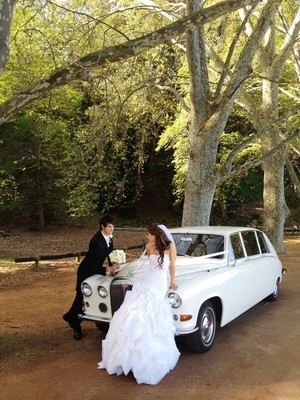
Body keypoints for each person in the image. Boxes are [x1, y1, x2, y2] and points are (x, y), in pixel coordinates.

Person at [98, 223, 180, 385]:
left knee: (152, 311)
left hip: (159, 284)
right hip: (149, 280)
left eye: (148, 234)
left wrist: (172, 282)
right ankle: (127, 357)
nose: (146, 236)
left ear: (156, 234)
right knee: (135, 309)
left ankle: (149, 355)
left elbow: (171, 266)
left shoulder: (170, 247)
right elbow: (147, 265)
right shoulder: (148, 247)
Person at [63, 215, 119, 340]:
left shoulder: (108, 237)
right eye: (109, 226)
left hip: (95, 269)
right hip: (86, 271)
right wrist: (107, 269)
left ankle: (71, 315)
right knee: (81, 297)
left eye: (112, 226)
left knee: (90, 297)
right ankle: (74, 323)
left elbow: (110, 253)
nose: (111, 229)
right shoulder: (96, 242)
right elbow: (94, 265)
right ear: (102, 226)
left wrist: (114, 266)